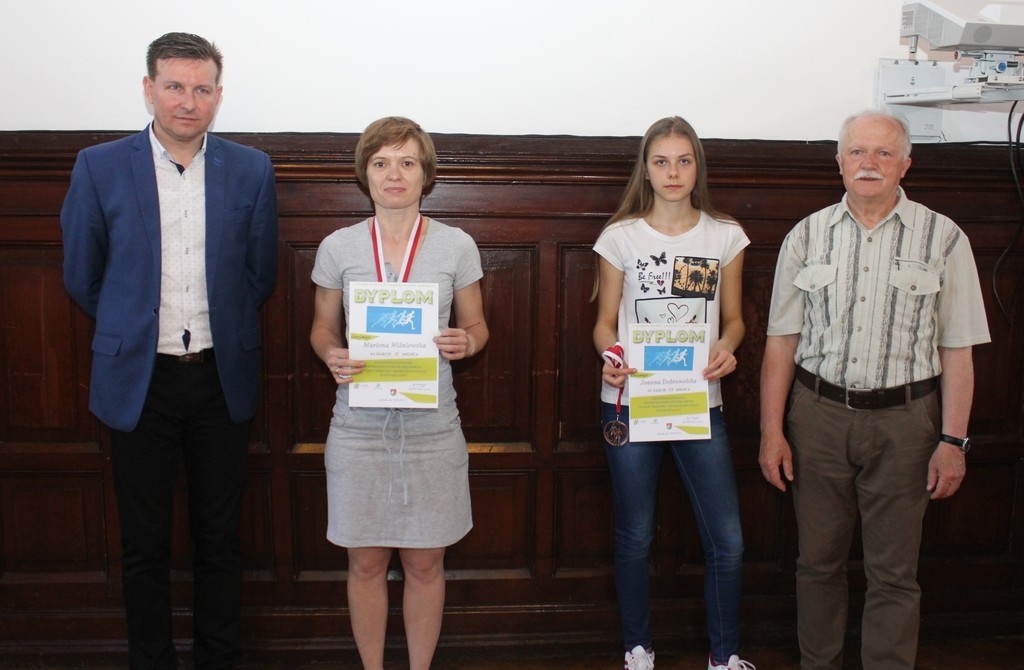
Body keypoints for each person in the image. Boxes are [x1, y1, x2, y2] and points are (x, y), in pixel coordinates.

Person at [60, 32, 278, 669]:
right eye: (175, 86)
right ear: (149, 89)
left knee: (220, 539)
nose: (188, 101)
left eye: (202, 88)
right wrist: (131, 326)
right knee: (144, 544)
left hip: (220, 378)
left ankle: (219, 658)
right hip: (140, 381)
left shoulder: (251, 169)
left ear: (218, 95)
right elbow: (82, 275)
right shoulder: (99, 166)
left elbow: (259, 274)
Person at [758, 110, 990, 669]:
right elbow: (780, 344)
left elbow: (958, 349)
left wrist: (952, 442)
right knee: (817, 564)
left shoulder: (944, 238)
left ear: (906, 164)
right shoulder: (806, 236)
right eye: (858, 152)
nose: (869, 163)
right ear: (839, 162)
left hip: (907, 425)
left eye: (884, 153)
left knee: (894, 574)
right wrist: (771, 433)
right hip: (816, 420)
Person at [309, 116, 489, 670]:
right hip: (357, 429)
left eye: (407, 162)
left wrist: (466, 341)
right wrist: (331, 353)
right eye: (382, 163)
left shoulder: (456, 245)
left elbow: (478, 326)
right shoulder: (338, 247)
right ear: (364, 173)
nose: (395, 174)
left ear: (425, 174)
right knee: (364, 564)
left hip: (432, 427)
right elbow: (321, 328)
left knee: (425, 564)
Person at [592, 116, 754, 670]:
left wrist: (727, 347)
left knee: (727, 540)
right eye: (661, 161)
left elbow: (734, 320)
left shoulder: (724, 235)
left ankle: (723, 657)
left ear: (697, 167)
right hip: (633, 401)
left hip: (699, 403)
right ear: (646, 169)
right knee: (635, 535)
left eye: (684, 160)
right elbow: (603, 325)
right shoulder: (620, 237)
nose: (673, 172)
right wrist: (612, 357)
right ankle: (637, 649)